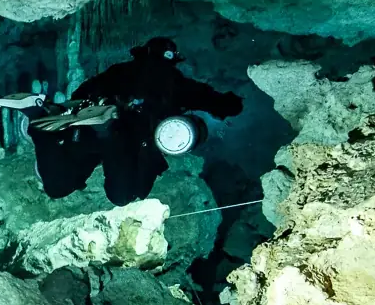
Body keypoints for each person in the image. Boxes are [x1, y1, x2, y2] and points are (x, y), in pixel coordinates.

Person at [29, 37, 243, 205]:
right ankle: (105, 128)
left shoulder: (118, 71)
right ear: (171, 59)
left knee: (57, 187)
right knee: (122, 196)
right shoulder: (174, 82)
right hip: (126, 138)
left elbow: (82, 92)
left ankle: (38, 123)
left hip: (88, 134)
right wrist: (234, 103)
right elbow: (214, 101)